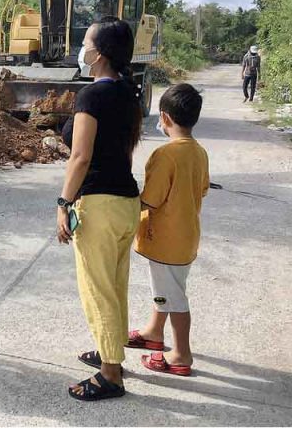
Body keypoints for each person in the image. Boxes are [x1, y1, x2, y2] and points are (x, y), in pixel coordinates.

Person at [57, 19, 143, 401]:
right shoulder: (129, 93)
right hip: (126, 203)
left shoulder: (91, 96)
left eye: (87, 41)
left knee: (98, 289)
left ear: (100, 53)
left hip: (99, 206)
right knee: (116, 285)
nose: (83, 47)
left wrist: (63, 203)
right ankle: (112, 352)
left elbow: (80, 156)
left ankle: (110, 374)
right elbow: (124, 151)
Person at [126, 83, 210, 377]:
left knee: (171, 297)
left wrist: (124, 209)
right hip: (186, 238)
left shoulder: (165, 155)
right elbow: (202, 189)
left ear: (164, 117)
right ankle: (154, 331)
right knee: (168, 289)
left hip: (165, 241)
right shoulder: (199, 152)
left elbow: (151, 199)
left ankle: (181, 354)